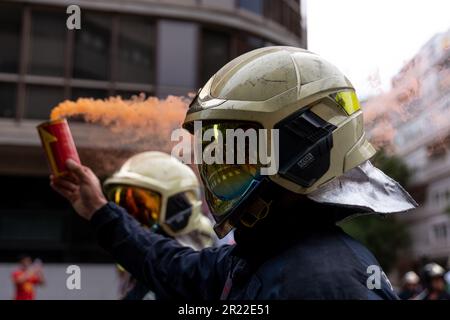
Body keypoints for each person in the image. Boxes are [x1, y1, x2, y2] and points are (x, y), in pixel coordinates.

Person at [51, 46, 417, 299]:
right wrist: (100, 210)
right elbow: (171, 267)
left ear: (303, 151)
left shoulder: (324, 280)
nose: (222, 170)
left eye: (240, 153)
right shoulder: (260, 254)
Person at [104, 151, 216, 299]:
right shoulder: (144, 262)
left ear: (176, 208)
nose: (131, 218)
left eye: (143, 208)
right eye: (125, 205)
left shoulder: (186, 269)